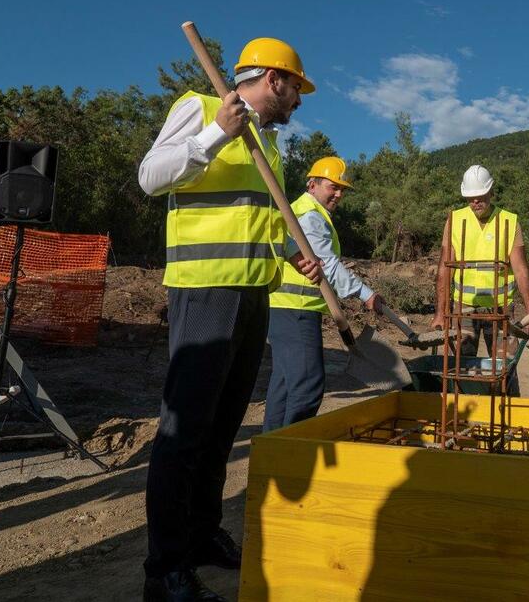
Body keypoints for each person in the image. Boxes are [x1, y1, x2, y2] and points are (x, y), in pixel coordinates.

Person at [138, 37, 321, 602]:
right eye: (295, 89)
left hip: (251, 294)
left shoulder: (268, 140)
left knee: (221, 427)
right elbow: (152, 176)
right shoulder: (198, 106)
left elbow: (254, 215)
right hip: (204, 292)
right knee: (184, 429)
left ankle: (200, 536)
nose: (298, 102)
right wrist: (217, 131)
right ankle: (165, 571)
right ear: (272, 80)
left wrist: (289, 252)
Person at [265, 156, 383, 430]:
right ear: (313, 184)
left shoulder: (306, 211)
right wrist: (365, 294)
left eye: (342, 189)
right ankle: (293, 451)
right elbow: (326, 264)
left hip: (286, 309)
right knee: (307, 383)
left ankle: (270, 454)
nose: (339, 194)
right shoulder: (310, 216)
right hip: (296, 309)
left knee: (284, 385)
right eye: (333, 187)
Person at [431, 165, 529, 376]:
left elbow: (521, 271)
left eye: (480, 196)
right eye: (471, 198)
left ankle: (505, 404)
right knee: (463, 367)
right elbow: (444, 271)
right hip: (464, 308)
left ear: (491, 191)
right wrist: (440, 314)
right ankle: (466, 404)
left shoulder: (509, 221)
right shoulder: (455, 220)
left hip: (500, 309)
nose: (476, 202)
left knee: (504, 369)